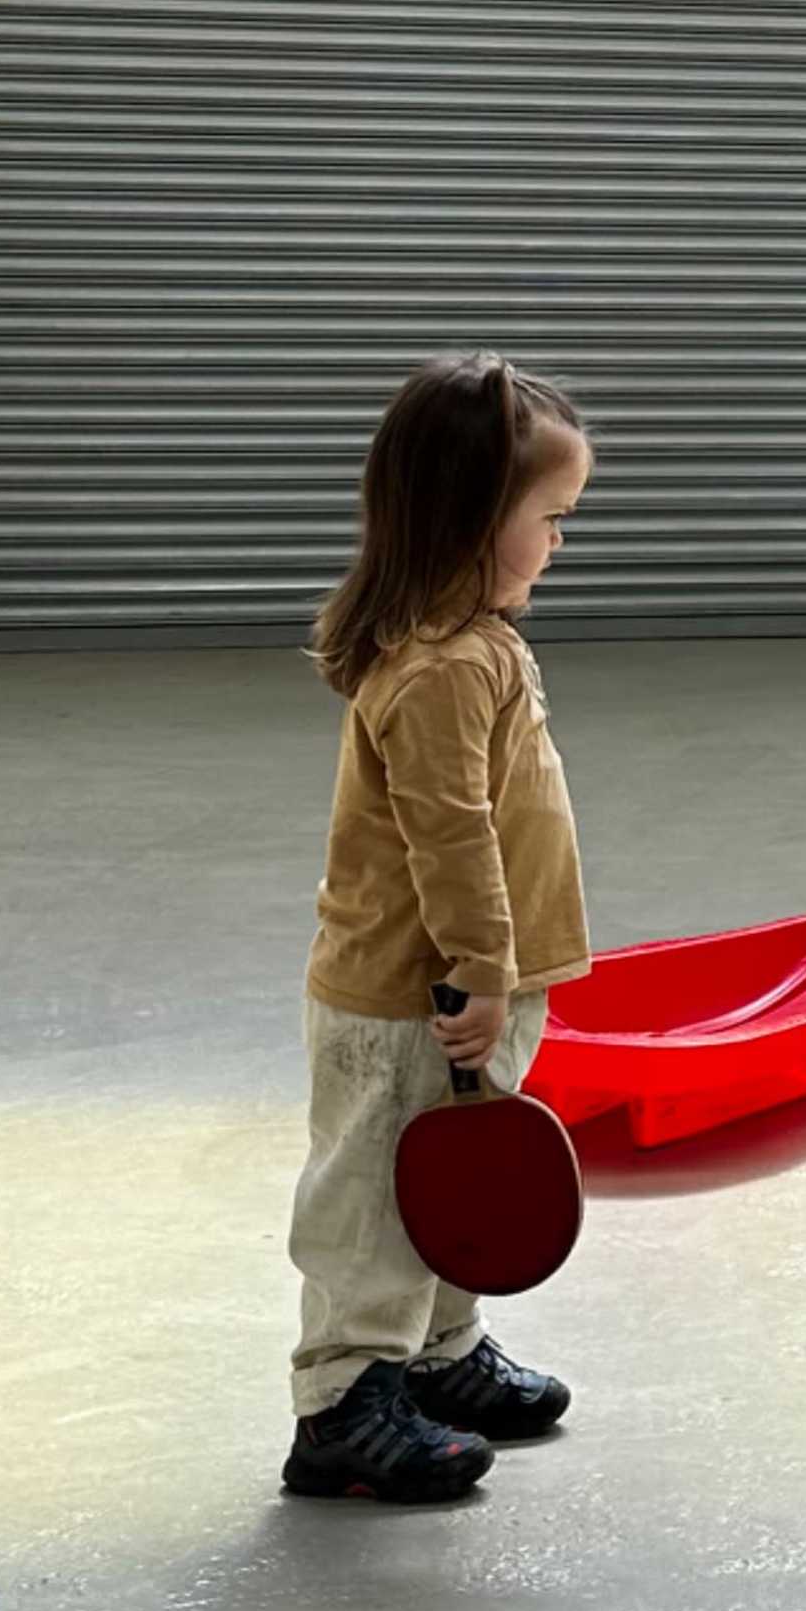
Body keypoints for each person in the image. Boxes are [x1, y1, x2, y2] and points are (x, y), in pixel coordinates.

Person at [285, 352, 597, 1505]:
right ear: (473, 516)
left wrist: (503, 976)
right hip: (418, 993)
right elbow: (450, 832)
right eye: (550, 519)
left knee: (448, 1178)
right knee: (375, 1193)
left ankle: (437, 1352)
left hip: (479, 985)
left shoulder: (478, 643)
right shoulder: (438, 668)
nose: (561, 542)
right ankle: (340, 1399)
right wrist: (476, 968)